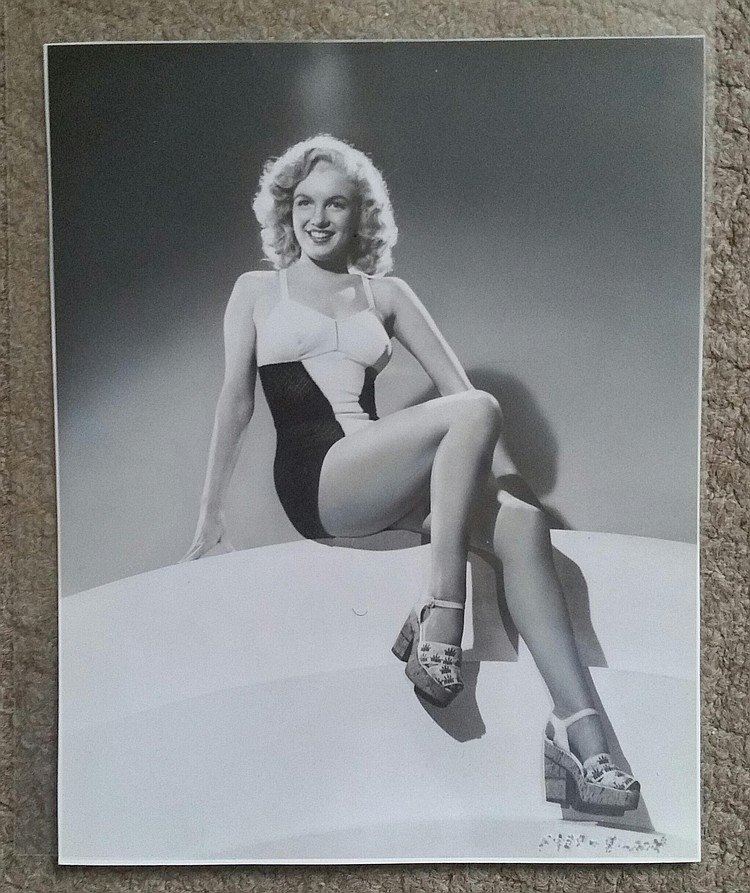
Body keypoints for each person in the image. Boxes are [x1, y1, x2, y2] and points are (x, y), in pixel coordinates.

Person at [182, 133, 640, 815]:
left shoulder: (387, 294)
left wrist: (495, 491)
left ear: (360, 215)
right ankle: (442, 614)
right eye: (304, 202)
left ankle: (582, 739)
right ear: (285, 209)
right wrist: (210, 516)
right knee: (478, 410)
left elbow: (459, 396)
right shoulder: (256, 291)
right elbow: (236, 403)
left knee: (522, 523)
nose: (317, 218)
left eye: (335, 204)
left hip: (385, 479)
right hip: (321, 483)